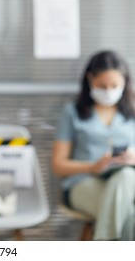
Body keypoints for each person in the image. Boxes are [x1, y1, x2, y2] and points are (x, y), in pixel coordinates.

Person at [52, 50, 135, 240]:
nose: (108, 91)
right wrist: (93, 167)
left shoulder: (132, 111)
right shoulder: (72, 112)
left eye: (115, 85)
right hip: (82, 182)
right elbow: (58, 165)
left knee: (126, 175)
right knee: (128, 212)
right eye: (102, 85)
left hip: (125, 180)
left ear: (125, 83)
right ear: (90, 79)